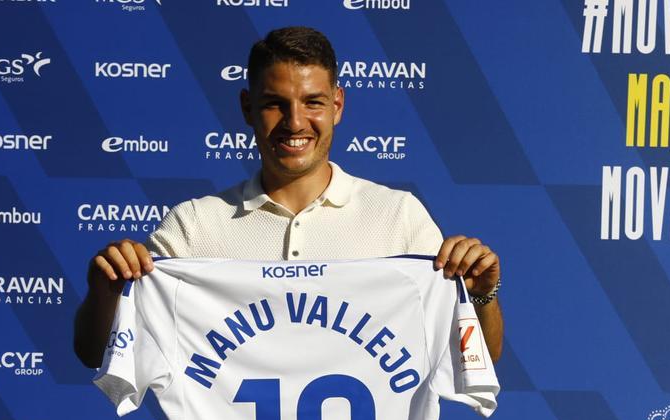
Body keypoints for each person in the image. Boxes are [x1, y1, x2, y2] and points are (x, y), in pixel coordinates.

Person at [74, 26, 503, 369]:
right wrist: (105, 293)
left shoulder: (397, 216)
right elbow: (96, 354)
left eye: (312, 102)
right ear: (246, 108)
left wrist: (481, 294)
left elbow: (477, 356)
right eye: (274, 104)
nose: (295, 122)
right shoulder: (195, 226)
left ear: (338, 104)